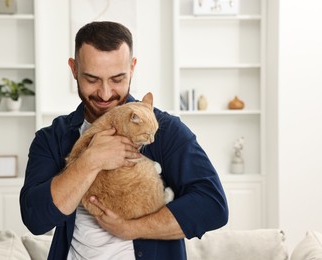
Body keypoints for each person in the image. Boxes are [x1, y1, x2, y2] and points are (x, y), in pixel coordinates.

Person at [20, 21, 228, 260]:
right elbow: (35, 219)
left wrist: (130, 229)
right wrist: (90, 160)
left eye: (117, 79)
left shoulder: (166, 130)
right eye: (92, 79)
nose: (105, 93)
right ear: (74, 69)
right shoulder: (52, 138)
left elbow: (213, 206)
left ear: (132, 68)